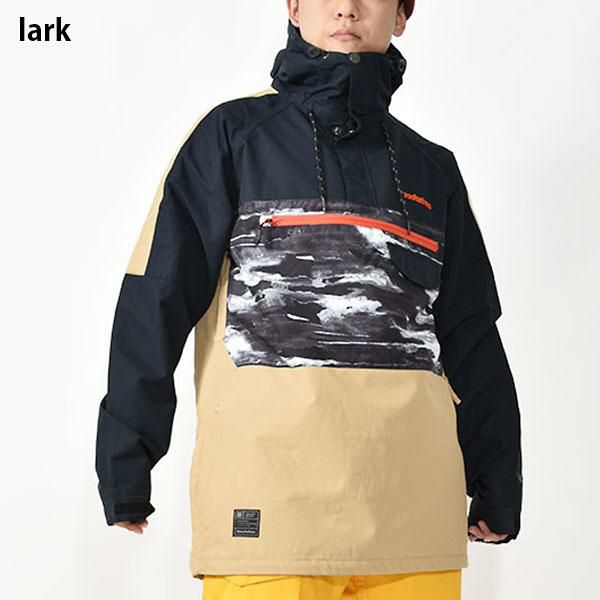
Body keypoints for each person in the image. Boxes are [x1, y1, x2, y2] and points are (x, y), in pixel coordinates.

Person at [95, 1, 523, 598]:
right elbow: (157, 295)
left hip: (414, 513)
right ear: (294, 7)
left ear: (402, 16)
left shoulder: (432, 168)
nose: (346, 7)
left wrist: (497, 479)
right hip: (271, 507)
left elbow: (472, 334)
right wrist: (126, 454)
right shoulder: (234, 137)